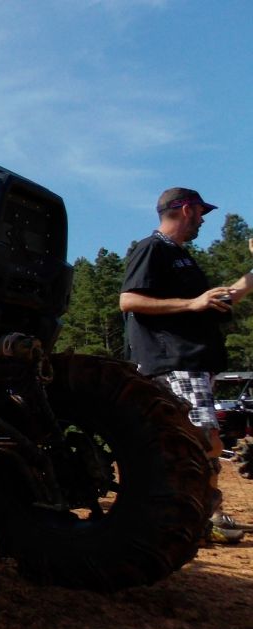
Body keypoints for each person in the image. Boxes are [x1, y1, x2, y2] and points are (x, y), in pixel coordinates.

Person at [120, 187, 252, 544]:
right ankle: (200, 511)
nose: (204, 220)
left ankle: (202, 513)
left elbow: (221, 300)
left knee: (193, 440)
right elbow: (128, 300)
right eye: (201, 213)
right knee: (203, 439)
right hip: (174, 361)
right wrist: (192, 305)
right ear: (186, 209)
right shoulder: (153, 248)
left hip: (193, 362)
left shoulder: (181, 258)